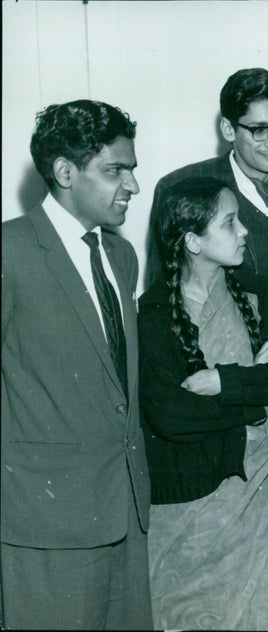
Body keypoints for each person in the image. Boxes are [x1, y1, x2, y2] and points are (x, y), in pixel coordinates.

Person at [146, 66, 268, 564]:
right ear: (229, 129)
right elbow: (166, 302)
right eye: (259, 129)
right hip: (221, 425)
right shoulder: (186, 186)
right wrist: (241, 379)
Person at [138, 177, 268, 630]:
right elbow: (169, 414)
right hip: (189, 511)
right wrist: (257, 395)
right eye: (231, 222)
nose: (244, 232)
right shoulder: (153, 312)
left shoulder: (257, 293)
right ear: (193, 241)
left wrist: (226, 380)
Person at [1, 100, 151, 629]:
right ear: (65, 172)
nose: (132, 184)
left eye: (132, 168)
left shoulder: (122, 256)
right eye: (115, 170)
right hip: (45, 522)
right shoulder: (9, 251)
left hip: (127, 512)